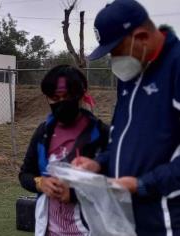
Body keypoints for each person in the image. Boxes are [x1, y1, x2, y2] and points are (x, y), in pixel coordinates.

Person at [72, 0, 180, 235]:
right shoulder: (131, 73)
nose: (114, 59)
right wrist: (98, 163)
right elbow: (121, 138)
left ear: (141, 36)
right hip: (127, 216)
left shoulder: (176, 65)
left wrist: (142, 184)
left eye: (116, 51)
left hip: (167, 218)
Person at [19, 65, 108, 236]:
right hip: (50, 229)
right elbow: (25, 175)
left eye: (67, 97)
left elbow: (113, 182)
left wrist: (74, 193)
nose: (61, 103)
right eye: (54, 98)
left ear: (81, 95)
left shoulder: (101, 133)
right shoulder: (43, 132)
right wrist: (41, 183)